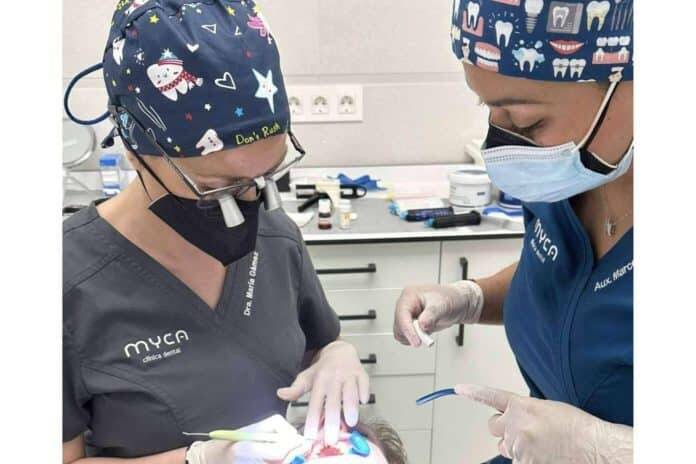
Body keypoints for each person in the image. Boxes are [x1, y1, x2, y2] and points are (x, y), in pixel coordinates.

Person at [63, 1, 369, 462]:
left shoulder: (277, 239)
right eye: (216, 187)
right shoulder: (65, 280)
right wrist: (200, 459)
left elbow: (317, 343)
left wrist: (336, 355)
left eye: (266, 176)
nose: (248, 204)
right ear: (135, 150)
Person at [393, 1, 634, 462]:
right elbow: (572, 285)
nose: (503, 142)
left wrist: (611, 450)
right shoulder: (567, 176)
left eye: (525, 121)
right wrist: (470, 297)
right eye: (488, 109)